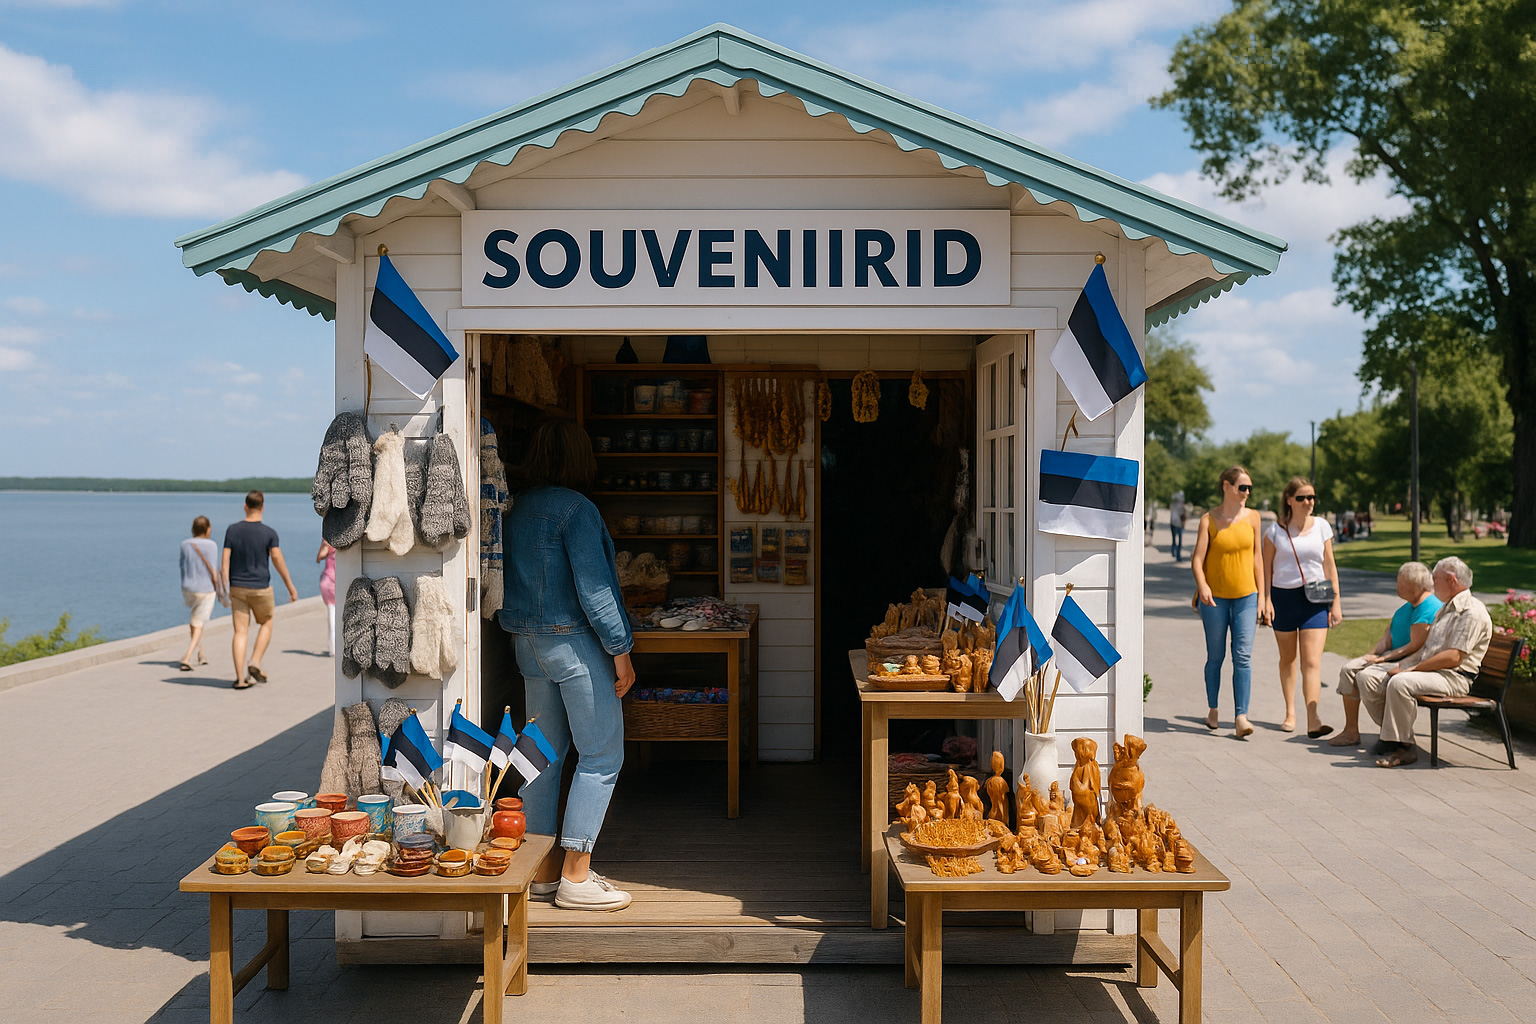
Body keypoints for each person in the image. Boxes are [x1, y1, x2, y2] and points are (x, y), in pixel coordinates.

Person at [498, 419, 635, 912]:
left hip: (527, 646)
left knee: (544, 758)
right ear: (580, 458)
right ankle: (576, 876)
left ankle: (541, 872)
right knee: (601, 757)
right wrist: (621, 651)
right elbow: (596, 592)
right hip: (575, 646)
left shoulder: (514, 508)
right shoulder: (576, 509)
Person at [1352, 557, 1492, 768]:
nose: (1431, 586)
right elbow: (1426, 650)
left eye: (1435, 580)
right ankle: (1395, 738)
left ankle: (1405, 748)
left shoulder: (1471, 612)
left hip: (1454, 677)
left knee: (1400, 683)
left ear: (1451, 580)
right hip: (1431, 671)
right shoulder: (1446, 608)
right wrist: (1402, 665)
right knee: (1367, 677)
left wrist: (1410, 670)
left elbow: (1453, 657)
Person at [1262, 477, 1343, 737]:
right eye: (1302, 498)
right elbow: (1265, 570)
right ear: (1289, 500)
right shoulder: (1275, 531)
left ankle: (1313, 717)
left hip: (1316, 600)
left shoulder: (1322, 526)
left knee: (1311, 662)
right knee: (1288, 659)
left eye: (1311, 497)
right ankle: (1290, 712)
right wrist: (1265, 600)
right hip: (1283, 598)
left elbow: (1329, 565)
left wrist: (1336, 602)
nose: (1308, 502)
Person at [1329, 562, 1441, 747]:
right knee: (1349, 669)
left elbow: (1414, 647)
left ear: (1415, 587)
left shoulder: (1428, 608)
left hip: (1408, 661)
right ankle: (1351, 731)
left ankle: (1395, 734)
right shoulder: (1407, 607)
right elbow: (1387, 637)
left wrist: (1382, 659)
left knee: (1366, 677)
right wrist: (1371, 655)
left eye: (1401, 583)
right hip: (1392, 656)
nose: (1397, 586)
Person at [1190, 466, 1265, 738]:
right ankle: (1213, 709)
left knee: (1242, 656)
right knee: (1216, 656)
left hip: (1247, 597)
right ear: (1226, 486)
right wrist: (1203, 585)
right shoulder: (1208, 520)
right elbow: (1197, 559)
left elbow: (1258, 559)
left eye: (1249, 488)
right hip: (1215, 600)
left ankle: (1241, 717)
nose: (1247, 493)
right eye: (1242, 487)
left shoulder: (1254, 517)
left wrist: (1263, 597)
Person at [222, 491, 298, 690]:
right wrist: (290, 586)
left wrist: (225, 587)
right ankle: (255, 660)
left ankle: (240, 679)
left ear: (245, 506)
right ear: (263, 507)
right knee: (266, 622)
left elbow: (225, 561)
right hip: (261, 588)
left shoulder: (232, 530)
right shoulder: (269, 533)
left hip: (237, 587)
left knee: (240, 631)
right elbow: (277, 559)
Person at [177, 516, 223, 672]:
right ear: (208, 529)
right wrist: (219, 590)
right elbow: (214, 570)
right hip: (206, 589)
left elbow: (182, 566)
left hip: (188, 587)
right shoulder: (212, 545)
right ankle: (187, 656)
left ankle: (201, 653)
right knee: (198, 622)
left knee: (196, 621)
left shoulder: (185, 544)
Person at [316, 540, 337, 655]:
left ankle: (332, 647)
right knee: (337, 616)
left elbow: (319, 558)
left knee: (331, 615)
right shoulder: (342, 545)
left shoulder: (329, 546)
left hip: (328, 582)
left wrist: (324, 545)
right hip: (336, 582)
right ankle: (336, 646)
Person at [1169, 490, 1187, 562]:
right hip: (1179, 525)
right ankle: (1178, 556)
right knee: (1179, 541)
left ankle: (1173, 552)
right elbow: (1183, 516)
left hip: (1172, 523)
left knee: (1174, 539)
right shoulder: (1181, 506)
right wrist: (1183, 524)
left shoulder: (1173, 505)